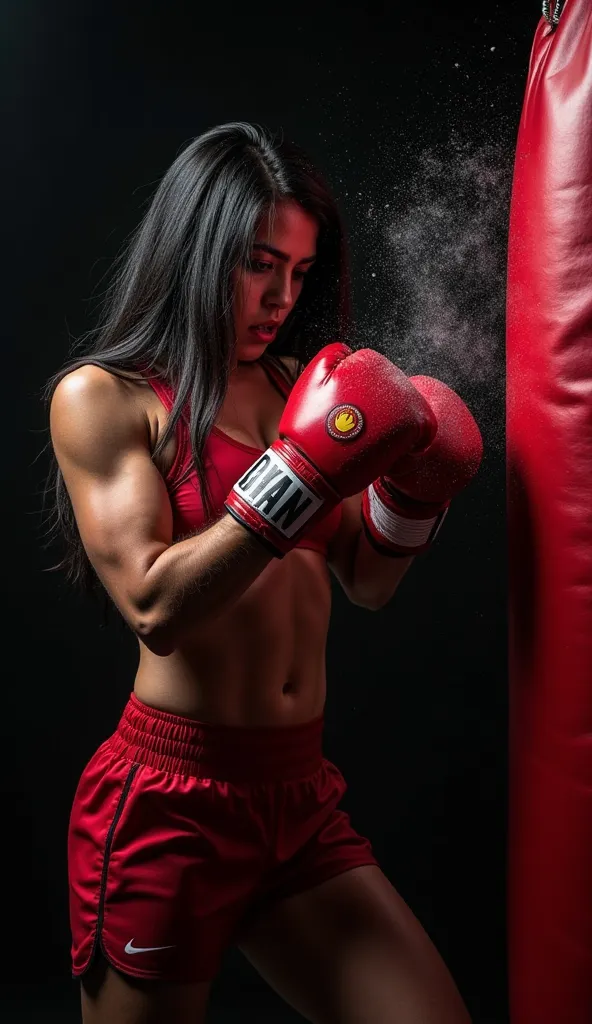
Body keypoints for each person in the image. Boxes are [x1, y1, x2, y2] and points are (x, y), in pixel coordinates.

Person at [46, 122, 482, 1024]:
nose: (283, 295)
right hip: (170, 802)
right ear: (197, 250)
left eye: (299, 270)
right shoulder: (107, 397)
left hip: (297, 798)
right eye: (257, 264)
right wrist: (303, 470)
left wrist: (416, 492)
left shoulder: (304, 386)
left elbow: (365, 582)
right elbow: (153, 603)